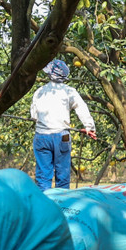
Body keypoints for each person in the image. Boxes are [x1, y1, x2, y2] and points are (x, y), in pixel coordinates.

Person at [30, 59, 97, 191]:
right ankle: (62, 206)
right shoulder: (69, 91)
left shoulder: (39, 91)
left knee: (43, 177)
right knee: (62, 175)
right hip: (62, 136)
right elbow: (81, 108)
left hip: (42, 137)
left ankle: (45, 206)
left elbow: (34, 116)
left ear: (49, 74)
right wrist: (89, 128)